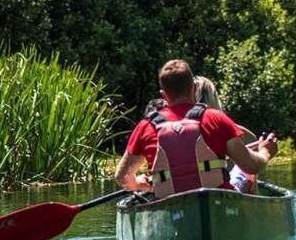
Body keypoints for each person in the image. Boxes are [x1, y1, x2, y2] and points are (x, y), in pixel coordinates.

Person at [113, 59, 278, 198]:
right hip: (217, 202)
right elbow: (251, 166)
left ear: (163, 95)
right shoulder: (216, 118)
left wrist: (139, 184)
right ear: (193, 88)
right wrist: (265, 152)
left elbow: (122, 176)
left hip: (170, 205)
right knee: (246, 174)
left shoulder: (146, 126)